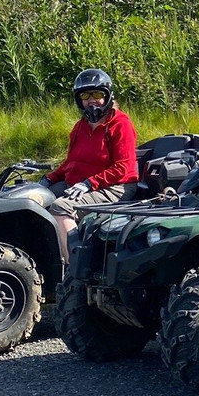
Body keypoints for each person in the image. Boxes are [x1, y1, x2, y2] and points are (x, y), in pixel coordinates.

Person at [40, 69, 139, 264]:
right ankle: (44, 257)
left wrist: (89, 183)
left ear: (108, 96)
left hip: (115, 187)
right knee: (39, 197)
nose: (91, 101)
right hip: (79, 184)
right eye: (85, 96)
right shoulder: (80, 127)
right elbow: (71, 163)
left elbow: (123, 166)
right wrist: (48, 179)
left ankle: (73, 267)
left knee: (60, 207)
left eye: (97, 95)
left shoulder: (120, 124)